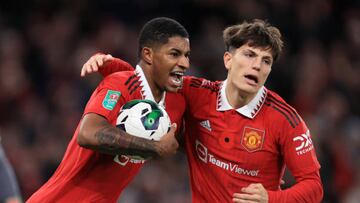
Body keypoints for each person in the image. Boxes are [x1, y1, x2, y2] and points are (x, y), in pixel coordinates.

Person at [83, 19, 323, 202]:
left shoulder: (285, 119)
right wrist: (110, 65)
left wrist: (271, 199)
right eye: (249, 55)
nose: (257, 66)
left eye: (266, 60)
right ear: (228, 60)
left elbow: (314, 187)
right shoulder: (196, 93)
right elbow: (151, 80)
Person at [27, 17, 191, 203]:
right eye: (175, 54)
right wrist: (154, 147)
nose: (184, 63)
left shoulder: (166, 108)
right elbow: (89, 133)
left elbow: (196, 146)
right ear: (148, 55)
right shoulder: (120, 83)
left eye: (187, 55)